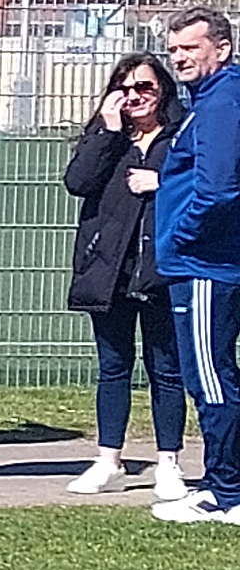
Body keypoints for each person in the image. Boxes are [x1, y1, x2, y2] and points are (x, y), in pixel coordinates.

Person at [63, 52, 189, 499]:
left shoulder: (181, 137)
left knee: (166, 370)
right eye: (125, 88)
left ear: (163, 92)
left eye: (145, 88)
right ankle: (108, 459)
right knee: (113, 367)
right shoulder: (106, 136)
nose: (134, 96)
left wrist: (162, 183)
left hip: (162, 271)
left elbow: (206, 186)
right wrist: (109, 131)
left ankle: (169, 462)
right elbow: (78, 182)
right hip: (109, 271)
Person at [161, 5, 240, 523]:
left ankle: (227, 492)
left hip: (207, 266)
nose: (179, 58)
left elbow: (217, 190)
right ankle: (221, 481)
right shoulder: (207, 99)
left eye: (190, 48)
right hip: (199, 262)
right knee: (208, 375)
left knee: (211, 378)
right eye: (173, 50)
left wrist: (183, 236)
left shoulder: (222, 101)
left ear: (222, 48)